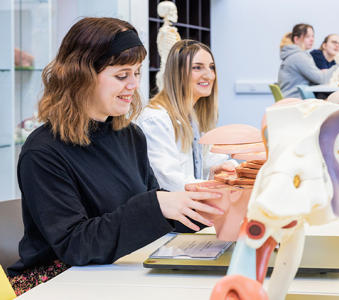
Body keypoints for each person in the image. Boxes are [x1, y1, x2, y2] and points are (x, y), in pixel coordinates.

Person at [7, 17, 224, 295]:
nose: (133, 84)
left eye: (136, 73)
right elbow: (75, 245)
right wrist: (157, 204)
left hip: (111, 270)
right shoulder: (43, 152)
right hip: (53, 281)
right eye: (122, 75)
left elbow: (147, 219)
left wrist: (204, 207)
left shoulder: (130, 135)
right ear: (80, 76)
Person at [137, 39, 236, 192]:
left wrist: (221, 169)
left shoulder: (194, 116)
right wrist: (212, 186)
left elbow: (203, 163)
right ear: (177, 73)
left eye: (211, 67)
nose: (209, 75)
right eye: (197, 68)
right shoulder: (155, 120)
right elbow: (170, 183)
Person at [278, 24, 338, 98]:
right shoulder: (299, 57)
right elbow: (321, 79)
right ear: (296, 39)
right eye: (307, 36)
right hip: (297, 100)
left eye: (313, 36)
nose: (312, 39)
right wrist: (338, 66)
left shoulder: (293, 55)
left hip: (290, 98)